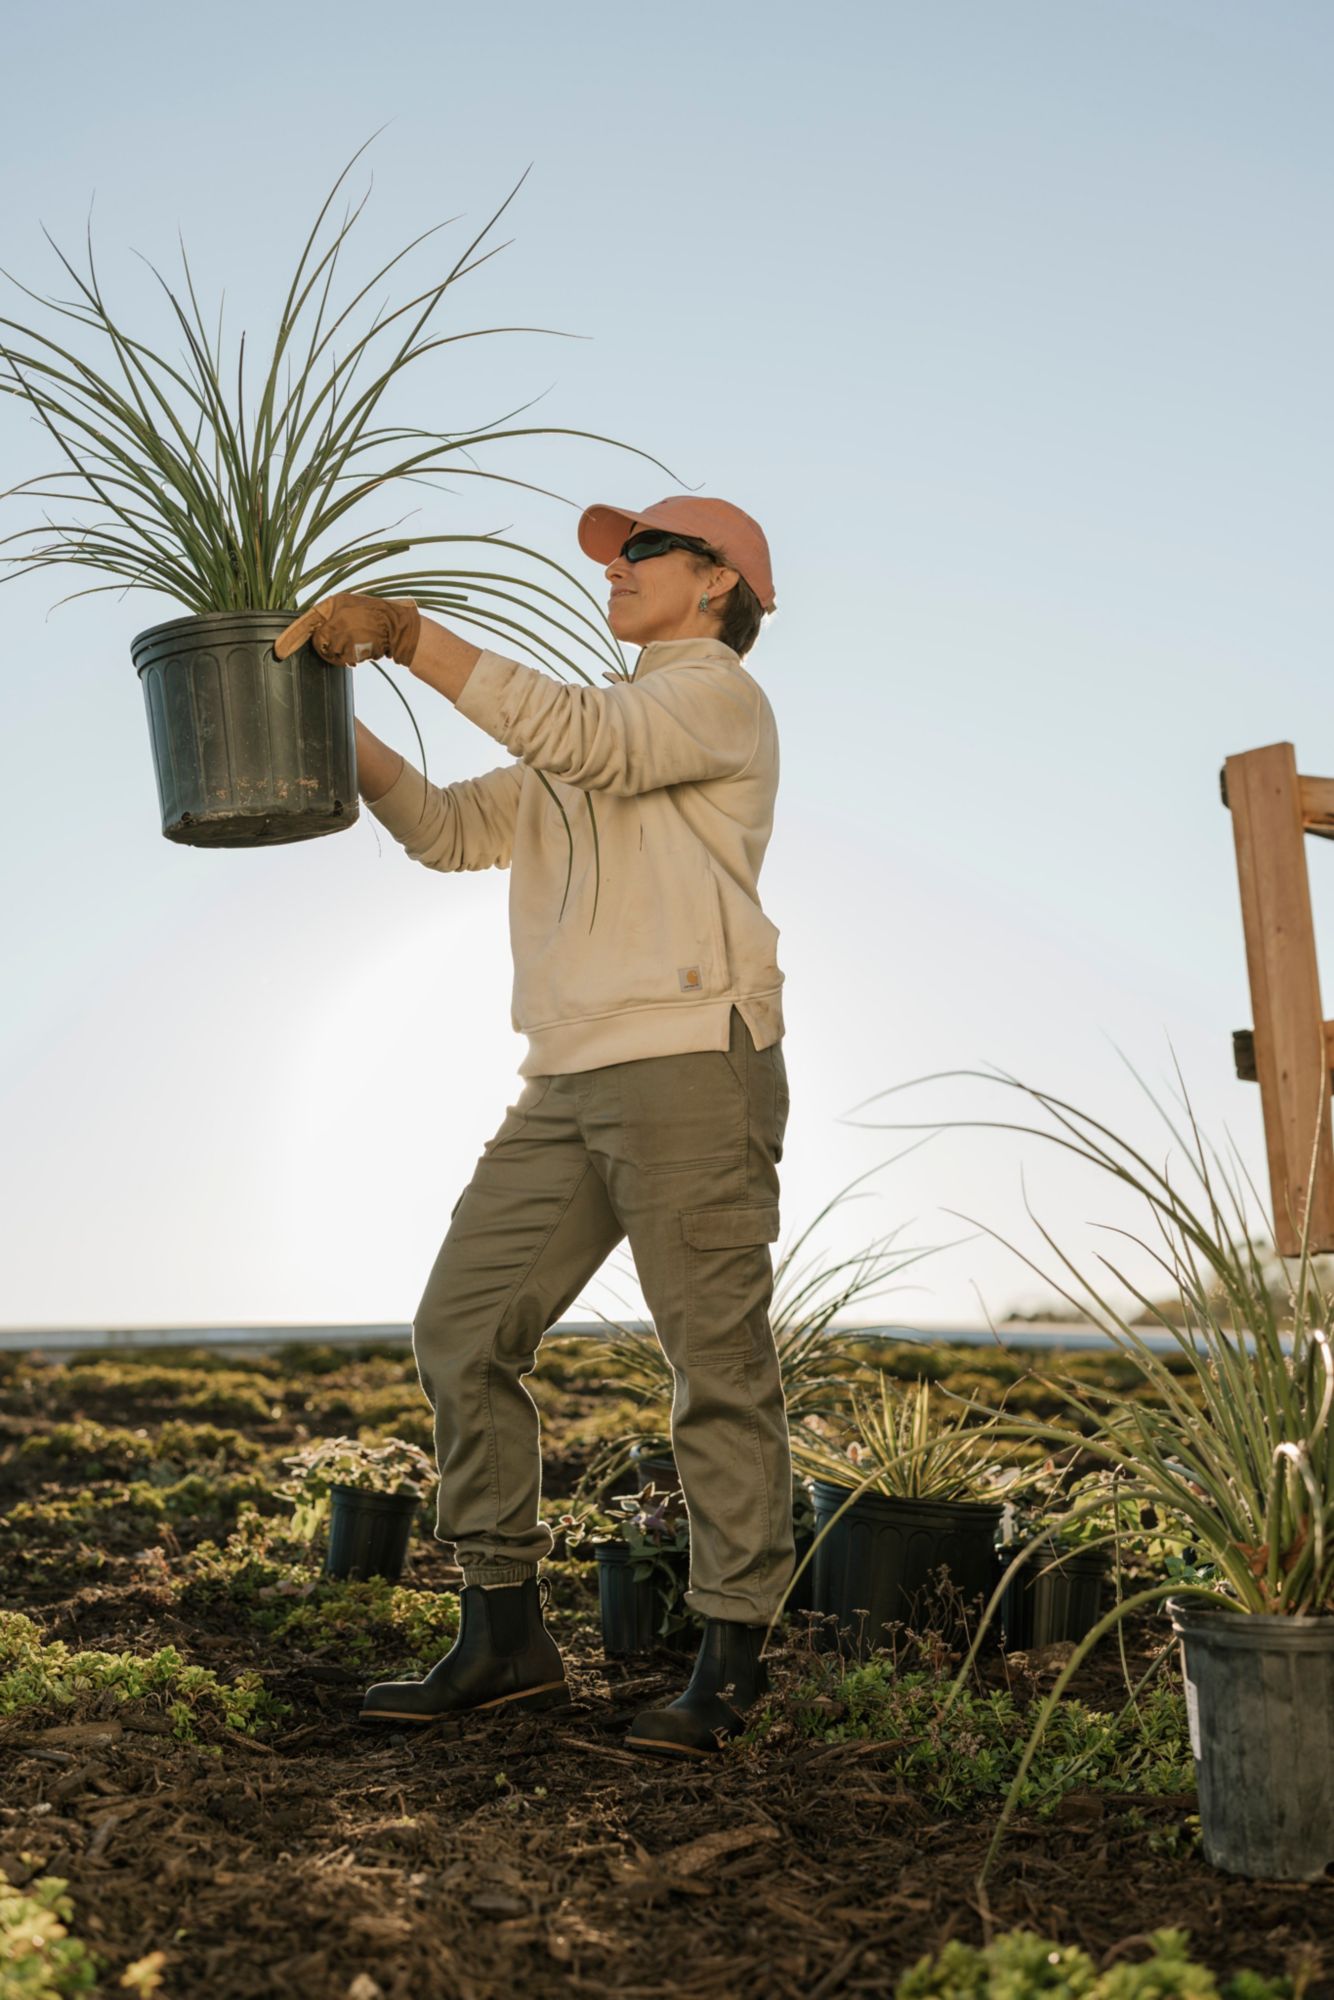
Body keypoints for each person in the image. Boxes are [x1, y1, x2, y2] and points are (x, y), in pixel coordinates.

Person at [274, 495, 791, 1758]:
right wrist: (321, 728)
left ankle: (730, 1665)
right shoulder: (588, 742)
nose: (618, 567)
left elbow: (586, 734)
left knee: (711, 1365)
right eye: (616, 554)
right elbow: (453, 830)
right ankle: (505, 1636)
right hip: (563, 1080)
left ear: (719, 585)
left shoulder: (711, 698)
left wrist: (405, 632)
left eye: (644, 551)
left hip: (687, 1065)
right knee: (461, 1326)